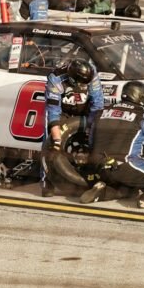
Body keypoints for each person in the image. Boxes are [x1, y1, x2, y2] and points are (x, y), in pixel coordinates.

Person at [83, 81, 144, 209]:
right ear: (138, 96)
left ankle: (102, 190)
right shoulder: (143, 116)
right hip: (125, 164)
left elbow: (91, 141)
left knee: (129, 191)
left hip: (99, 166)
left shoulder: (102, 111)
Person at [41, 58, 104, 197]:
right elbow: (53, 112)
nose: (83, 86)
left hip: (85, 110)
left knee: (96, 135)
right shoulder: (56, 78)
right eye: (81, 83)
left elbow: (97, 105)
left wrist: (91, 131)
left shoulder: (91, 74)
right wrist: (57, 140)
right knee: (50, 140)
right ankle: (46, 179)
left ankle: (91, 177)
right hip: (63, 110)